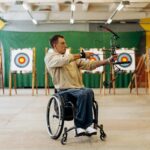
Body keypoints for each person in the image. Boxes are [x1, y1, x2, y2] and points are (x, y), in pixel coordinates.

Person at [45, 34, 116, 136]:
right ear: (55, 45)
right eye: (62, 43)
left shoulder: (71, 58)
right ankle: (80, 126)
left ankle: (86, 126)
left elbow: (89, 65)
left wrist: (108, 61)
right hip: (64, 92)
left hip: (79, 90)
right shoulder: (50, 57)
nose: (66, 45)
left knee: (88, 91)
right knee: (85, 92)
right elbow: (62, 60)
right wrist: (82, 55)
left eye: (65, 43)